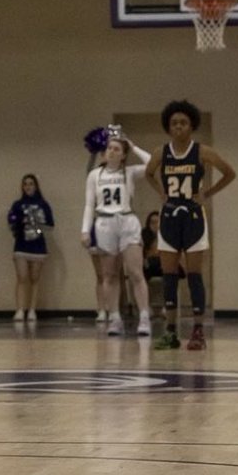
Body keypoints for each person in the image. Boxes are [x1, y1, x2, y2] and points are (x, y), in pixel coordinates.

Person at [145, 100, 236, 351]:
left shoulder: (202, 151)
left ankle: (198, 332)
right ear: (168, 126)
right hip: (170, 218)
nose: (178, 127)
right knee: (170, 277)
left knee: (195, 275)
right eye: (174, 123)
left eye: (183, 123)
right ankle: (171, 332)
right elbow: (148, 174)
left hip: (194, 218)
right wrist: (161, 192)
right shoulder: (160, 153)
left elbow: (229, 173)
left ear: (191, 125)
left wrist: (207, 193)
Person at [80, 136, 153, 337]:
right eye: (109, 148)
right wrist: (85, 229)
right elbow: (89, 204)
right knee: (109, 275)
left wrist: (134, 146)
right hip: (104, 223)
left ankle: (144, 317)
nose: (111, 151)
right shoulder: (95, 175)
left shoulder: (129, 172)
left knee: (135, 272)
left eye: (116, 149)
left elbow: (153, 164)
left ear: (123, 155)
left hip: (127, 221)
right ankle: (115, 318)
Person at [8, 174, 54, 323]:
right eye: (25, 184)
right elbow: (11, 222)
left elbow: (50, 225)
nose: (28, 186)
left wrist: (38, 226)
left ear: (36, 186)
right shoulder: (17, 205)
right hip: (21, 245)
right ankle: (20, 310)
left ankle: (32, 310)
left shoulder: (43, 204)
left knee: (35, 279)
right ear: (22, 187)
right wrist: (17, 223)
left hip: (38, 245)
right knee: (21, 278)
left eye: (31, 184)